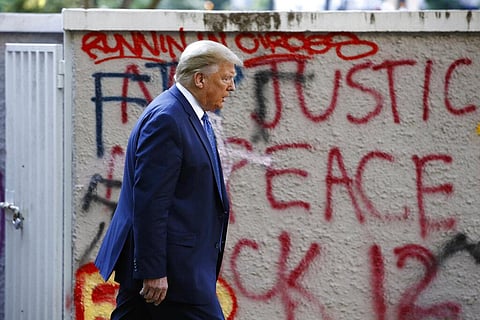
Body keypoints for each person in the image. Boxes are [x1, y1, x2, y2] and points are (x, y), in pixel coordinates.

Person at [94, 40, 243, 319]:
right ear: (200, 79)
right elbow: (151, 201)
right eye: (226, 78)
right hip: (173, 273)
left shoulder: (191, 115)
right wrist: (153, 271)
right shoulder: (168, 119)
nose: (231, 87)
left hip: (179, 267)